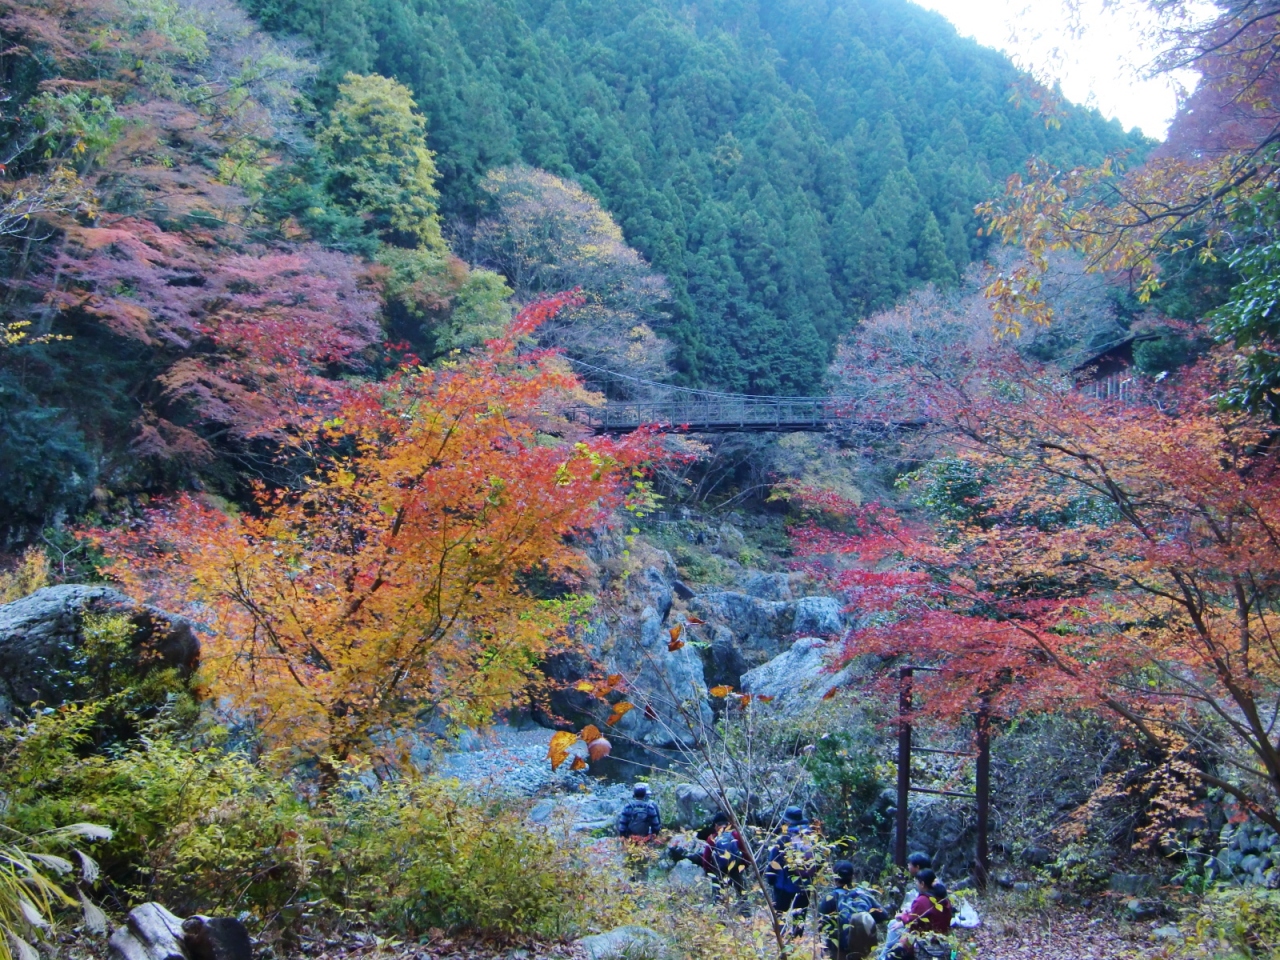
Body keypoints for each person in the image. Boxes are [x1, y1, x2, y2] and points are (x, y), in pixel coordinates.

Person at [818, 861, 889, 960]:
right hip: (863, 945)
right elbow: (884, 915)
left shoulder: (831, 897)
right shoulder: (864, 893)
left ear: (835, 877)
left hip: (840, 949)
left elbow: (819, 924)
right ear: (852, 876)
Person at [765, 806, 819, 933]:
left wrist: (771, 880)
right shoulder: (811, 836)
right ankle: (797, 943)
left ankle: (780, 943)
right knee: (799, 919)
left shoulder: (784, 838)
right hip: (805, 886)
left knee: (779, 917)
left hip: (784, 886)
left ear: (787, 821)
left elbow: (773, 862)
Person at [880, 869, 954, 960]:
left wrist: (902, 917)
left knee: (894, 938)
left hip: (922, 941)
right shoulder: (944, 900)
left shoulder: (922, 900)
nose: (916, 884)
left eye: (916, 882)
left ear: (922, 884)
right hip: (941, 939)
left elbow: (913, 920)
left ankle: (883, 957)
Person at [700, 812, 748, 896]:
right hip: (735, 867)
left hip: (718, 870)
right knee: (741, 892)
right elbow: (746, 854)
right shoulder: (735, 835)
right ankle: (744, 906)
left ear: (716, 825)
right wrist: (743, 866)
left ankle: (718, 904)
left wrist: (709, 871)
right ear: (728, 824)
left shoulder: (712, 838)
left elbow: (706, 859)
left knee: (718, 895)